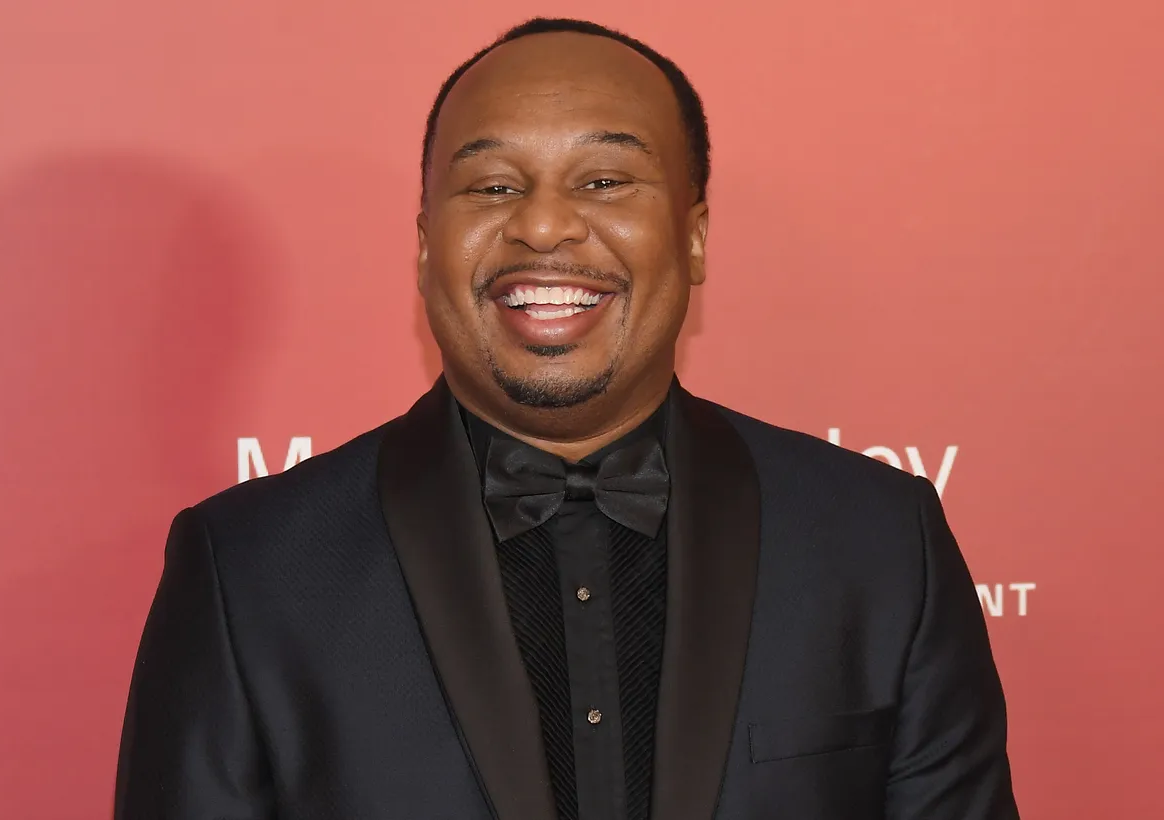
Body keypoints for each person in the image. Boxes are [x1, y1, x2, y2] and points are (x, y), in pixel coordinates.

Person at [114, 17, 1018, 820]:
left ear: (695, 236)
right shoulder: (251, 572)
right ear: (427, 245)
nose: (544, 226)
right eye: (493, 188)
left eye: (604, 180)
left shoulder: (880, 543)